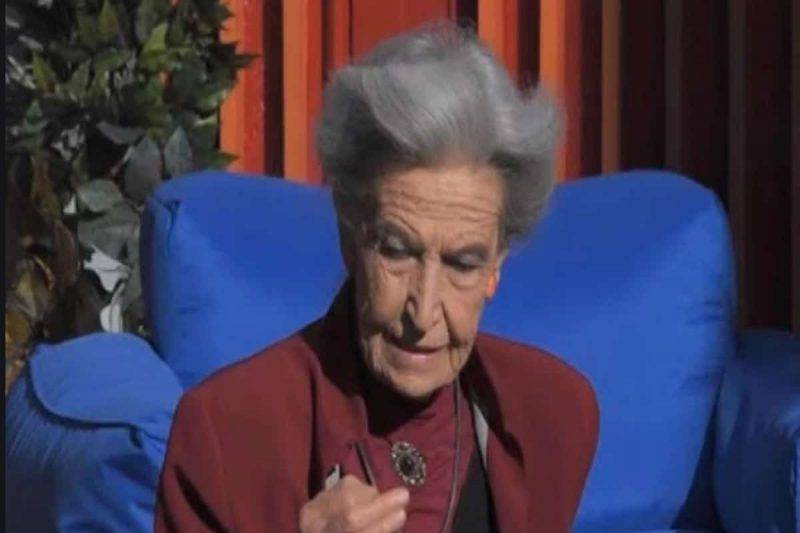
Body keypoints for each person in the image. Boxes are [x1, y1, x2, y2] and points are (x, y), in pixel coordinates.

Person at [155, 21, 599, 533]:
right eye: (397, 251)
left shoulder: (552, 417)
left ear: (496, 267)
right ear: (349, 233)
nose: (423, 312)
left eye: (462, 264)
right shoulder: (226, 433)